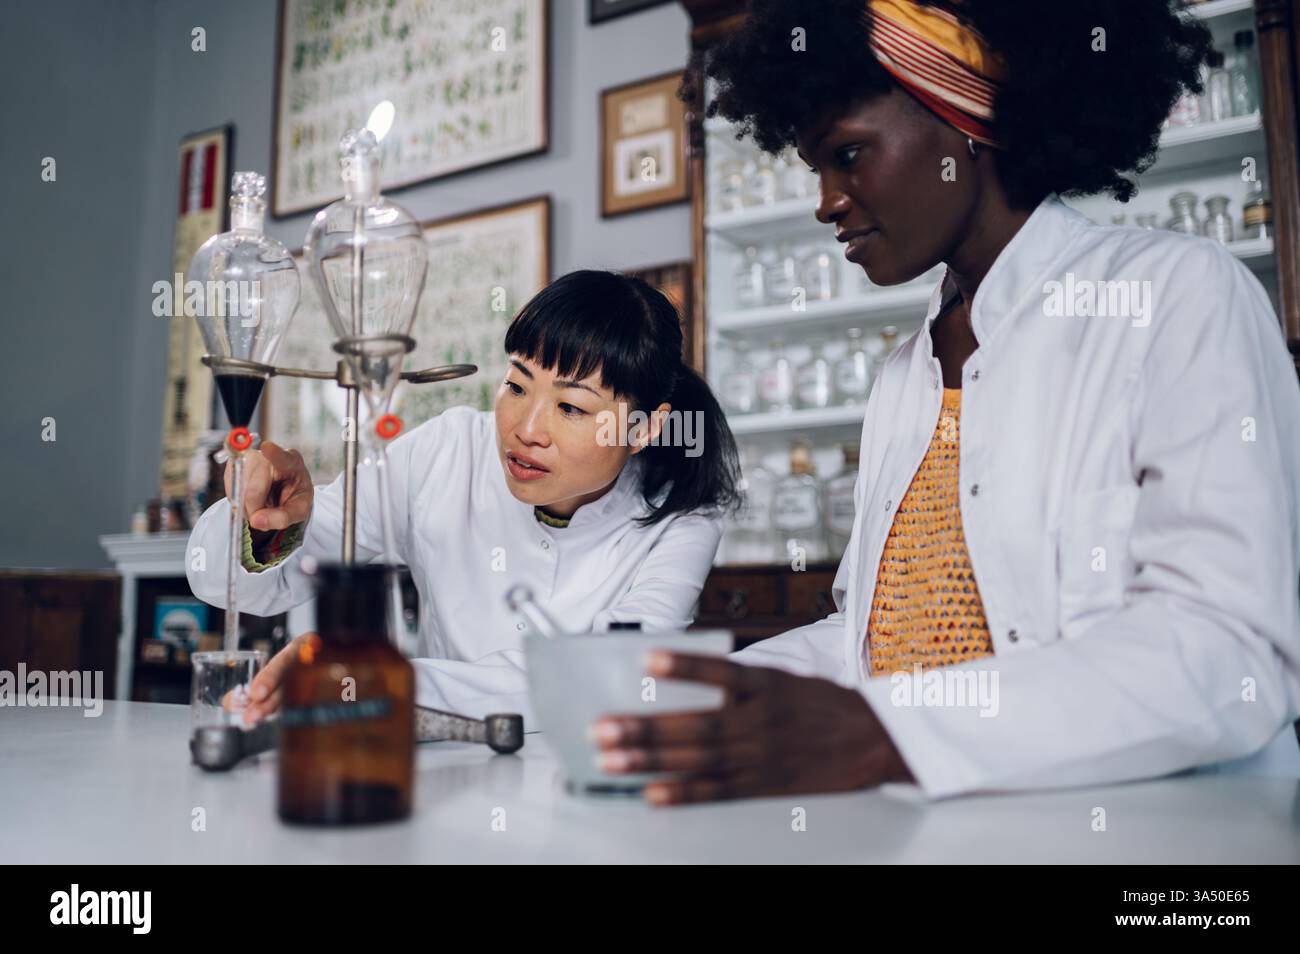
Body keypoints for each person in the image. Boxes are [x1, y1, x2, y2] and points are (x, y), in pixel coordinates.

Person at [591, 0, 1300, 804]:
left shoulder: (1179, 298)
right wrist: (705, 692)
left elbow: (1228, 652)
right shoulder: (902, 379)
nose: (825, 202)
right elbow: (874, 647)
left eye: (848, 154)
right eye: (816, 170)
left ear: (965, 117)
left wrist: (886, 733)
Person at [187, 269, 740, 721]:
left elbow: (611, 673)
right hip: (449, 771)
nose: (527, 428)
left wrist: (380, 679)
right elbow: (236, 586)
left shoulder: (684, 516)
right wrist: (262, 520)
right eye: (517, 386)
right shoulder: (446, 451)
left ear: (643, 429)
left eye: (571, 407)